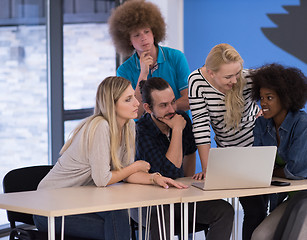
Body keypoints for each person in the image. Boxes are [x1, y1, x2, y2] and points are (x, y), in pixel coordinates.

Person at [33, 76, 187, 240]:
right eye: (128, 99)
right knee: (115, 226)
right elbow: (103, 179)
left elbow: (125, 174)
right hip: (50, 207)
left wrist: (155, 178)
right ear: (111, 105)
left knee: (116, 217)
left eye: (134, 97)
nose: (136, 103)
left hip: (79, 202)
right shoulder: (100, 126)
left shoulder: (129, 126)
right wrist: (135, 167)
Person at [132, 77, 234, 240]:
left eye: (173, 102)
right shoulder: (141, 131)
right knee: (161, 214)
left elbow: (190, 153)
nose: (172, 109)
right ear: (148, 108)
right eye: (163, 105)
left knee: (225, 211)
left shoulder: (181, 118)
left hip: (177, 196)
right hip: (149, 202)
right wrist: (177, 130)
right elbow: (169, 171)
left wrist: (188, 181)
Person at [188, 43, 265, 240]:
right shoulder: (196, 81)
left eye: (237, 73)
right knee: (240, 210)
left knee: (256, 209)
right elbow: (201, 126)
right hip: (229, 154)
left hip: (256, 149)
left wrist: (266, 113)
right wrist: (207, 168)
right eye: (228, 77)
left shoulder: (249, 78)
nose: (234, 80)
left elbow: (277, 95)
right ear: (211, 73)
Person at [248, 63, 307, 240]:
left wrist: (270, 172)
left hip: (304, 196)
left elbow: (296, 170)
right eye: (261, 97)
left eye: (269, 97)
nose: (263, 103)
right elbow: (257, 164)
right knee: (260, 236)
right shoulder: (261, 124)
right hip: (292, 198)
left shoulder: (302, 124)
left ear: (285, 98)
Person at [108, 0, 190, 117]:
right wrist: (143, 74)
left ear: (154, 33)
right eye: (137, 35)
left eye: (146, 31)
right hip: (145, 133)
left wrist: (162, 111)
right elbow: (135, 112)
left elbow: (188, 100)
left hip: (180, 126)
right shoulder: (124, 71)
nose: (144, 38)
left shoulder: (176, 57)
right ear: (128, 41)